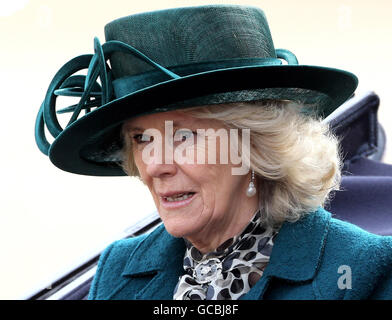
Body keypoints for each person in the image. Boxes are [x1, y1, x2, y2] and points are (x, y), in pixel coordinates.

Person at [35, 5, 392, 300]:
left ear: (254, 144)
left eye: (184, 135)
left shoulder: (360, 271)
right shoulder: (119, 270)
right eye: (141, 138)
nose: (156, 166)